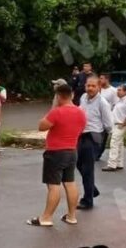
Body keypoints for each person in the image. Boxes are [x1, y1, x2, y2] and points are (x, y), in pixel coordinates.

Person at [27, 83, 85, 227]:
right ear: (72, 95)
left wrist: (54, 107)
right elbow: (81, 128)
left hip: (55, 152)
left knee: (54, 186)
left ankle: (46, 217)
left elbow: (41, 126)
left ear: (58, 96)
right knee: (70, 183)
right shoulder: (81, 112)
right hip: (72, 150)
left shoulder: (56, 112)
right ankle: (72, 216)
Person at [76, 76, 113, 209]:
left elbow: (109, 124)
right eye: (88, 86)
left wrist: (101, 136)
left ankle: (87, 200)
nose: (90, 88)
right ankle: (92, 190)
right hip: (81, 134)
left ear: (99, 87)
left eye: (93, 86)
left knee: (87, 169)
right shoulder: (83, 98)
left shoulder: (103, 103)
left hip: (93, 136)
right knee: (78, 164)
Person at [103, 85, 126, 171]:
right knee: (119, 143)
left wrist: (125, 121)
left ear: (125, 91)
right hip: (118, 123)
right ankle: (119, 163)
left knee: (114, 142)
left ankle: (112, 164)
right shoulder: (121, 100)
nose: (117, 92)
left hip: (121, 124)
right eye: (117, 90)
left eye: (120, 90)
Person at [96, 75, 118, 160]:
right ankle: (94, 152)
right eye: (99, 78)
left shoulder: (113, 91)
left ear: (107, 79)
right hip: (97, 116)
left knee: (103, 136)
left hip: (106, 115)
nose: (100, 80)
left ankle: (99, 153)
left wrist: (111, 116)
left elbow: (115, 104)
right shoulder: (98, 89)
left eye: (101, 78)